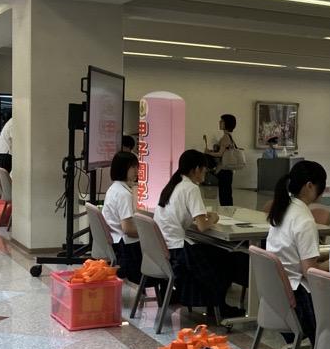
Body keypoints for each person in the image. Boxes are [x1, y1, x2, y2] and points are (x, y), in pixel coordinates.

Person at [154, 150, 242, 321]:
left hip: (167, 249)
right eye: (204, 170)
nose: (205, 174)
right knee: (227, 258)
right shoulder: (191, 188)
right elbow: (202, 226)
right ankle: (219, 306)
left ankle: (213, 304)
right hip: (180, 252)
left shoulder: (173, 185)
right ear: (196, 169)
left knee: (214, 252)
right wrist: (214, 218)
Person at [266, 161, 328, 345]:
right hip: (298, 303)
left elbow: (293, 255)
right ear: (309, 186)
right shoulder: (304, 219)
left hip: (276, 296)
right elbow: (310, 272)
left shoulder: (283, 208)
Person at [102, 151, 141, 283]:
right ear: (123, 168)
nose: (137, 171)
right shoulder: (124, 194)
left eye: (137, 167)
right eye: (133, 167)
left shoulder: (113, 188)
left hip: (115, 242)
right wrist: (149, 235)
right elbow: (128, 229)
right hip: (125, 248)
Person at [203, 114, 239, 206]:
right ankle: (228, 211)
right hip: (227, 170)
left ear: (226, 123)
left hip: (223, 169)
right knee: (227, 194)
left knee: (224, 195)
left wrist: (208, 153)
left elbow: (220, 154)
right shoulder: (229, 136)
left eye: (222, 121)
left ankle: (226, 212)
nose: (220, 123)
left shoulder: (225, 137)